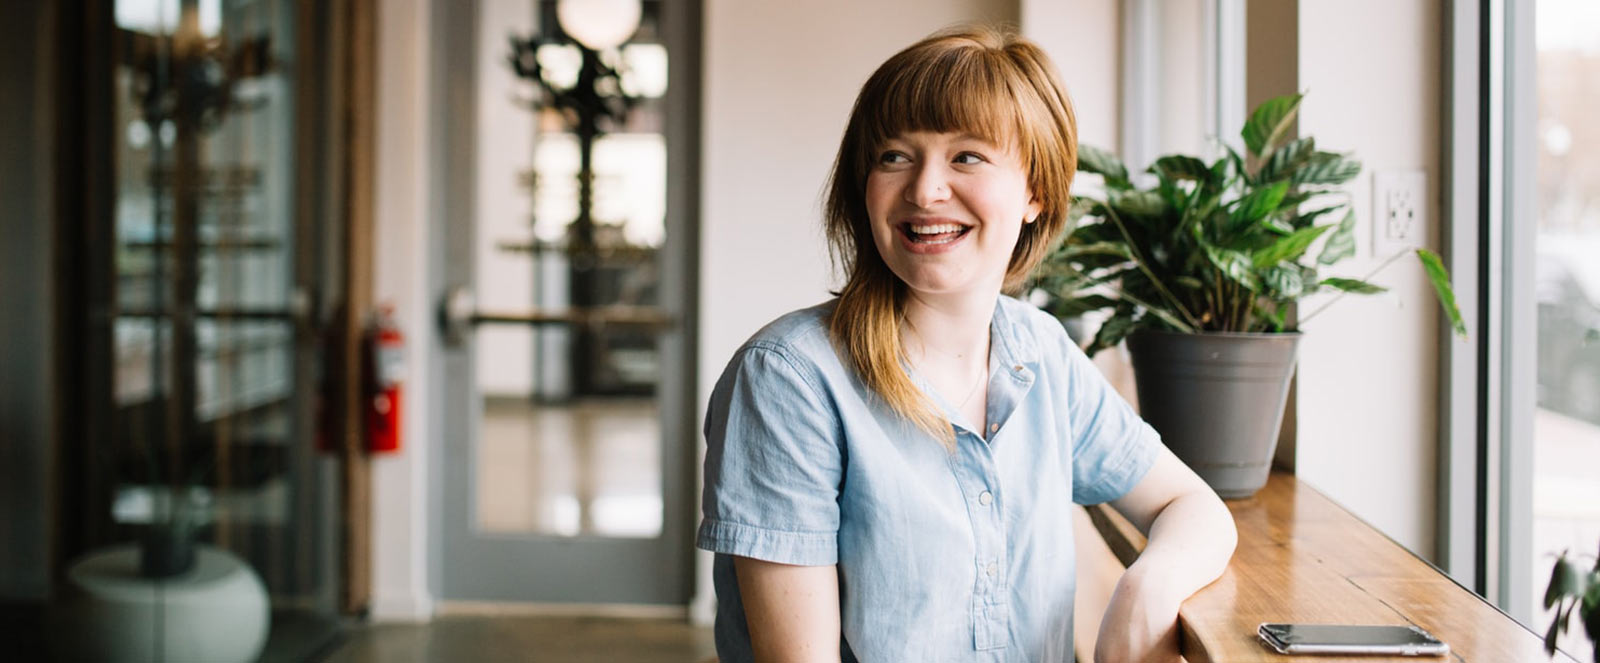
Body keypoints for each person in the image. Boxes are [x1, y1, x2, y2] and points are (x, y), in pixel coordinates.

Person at [696, 25, 1237, 662]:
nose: (924, 190)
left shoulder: (1041, 350)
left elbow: (1190, 504)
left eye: (967, 156)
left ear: (1036, 191)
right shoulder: (789, 378)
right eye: (894, 156)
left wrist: (1146, 588)